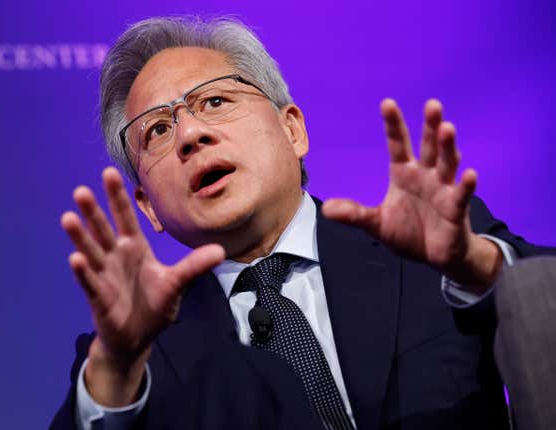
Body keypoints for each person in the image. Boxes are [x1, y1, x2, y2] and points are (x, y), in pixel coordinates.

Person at [50, 16, 555, 430]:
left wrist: (478, 265)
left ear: (292, 129)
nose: (190, 135)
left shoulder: (435, 255)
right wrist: (116, 369)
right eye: (158, 129)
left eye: (214, 101)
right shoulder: (130, 357)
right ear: (149, 207)